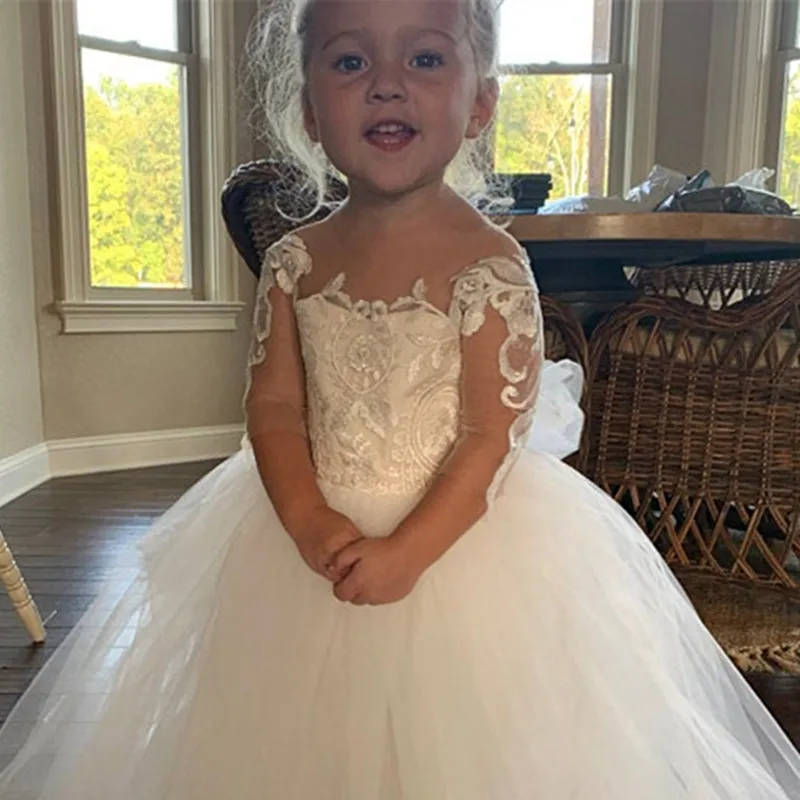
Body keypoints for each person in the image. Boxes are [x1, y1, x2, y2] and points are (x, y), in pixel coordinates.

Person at [1, 0, 799, 796]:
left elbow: (491, 433)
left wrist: (409, 553)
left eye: (424, 59)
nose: (386, 84)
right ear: (310, 111)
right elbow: (272, 408)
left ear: (479, 103)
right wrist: (307, 518)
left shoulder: (490, 263)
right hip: (302, 535)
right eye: (350, 62)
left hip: (459, 543)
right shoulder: (294, 261)